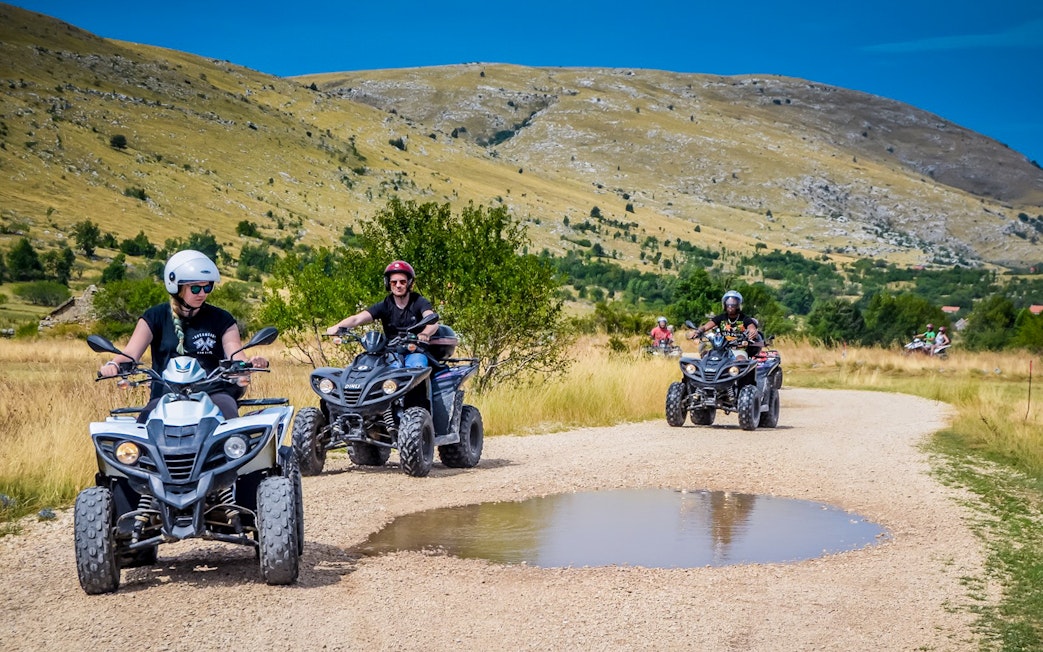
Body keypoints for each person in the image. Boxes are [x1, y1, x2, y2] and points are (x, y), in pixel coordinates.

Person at [97, 250, 267, 422]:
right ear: (176, 287)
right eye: (195, 288)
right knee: (141, 433)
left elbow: (235, 354)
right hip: (165, 396)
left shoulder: (222, 319)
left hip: (213, 394)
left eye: (207, 287)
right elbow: (130, 353)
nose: (202, 293)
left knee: (231, 426)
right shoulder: (154, 317)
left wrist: (249, 364)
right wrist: (113, 365)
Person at [326, 260, 439, 368]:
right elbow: (357, 319)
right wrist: (337, 327)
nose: (398, 285)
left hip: (415, 350)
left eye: (402, 282)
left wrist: (425, 334)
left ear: (409, 283)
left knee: (417, 367)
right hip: (391, 352)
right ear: (388, 284)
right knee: (374, 370)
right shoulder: (385, 304)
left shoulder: (419, 301)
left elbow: (432, 321)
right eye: (394, 282)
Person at [690, 290, 761, 359]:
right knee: (705, 357)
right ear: (724, 304)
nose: (730, 306)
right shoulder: (720, 318)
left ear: (738, 305)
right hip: (720, 348)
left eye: (733, 303)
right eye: (728, 303)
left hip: (738, 349)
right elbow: (705, 327)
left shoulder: (744, 318)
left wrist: (752, 331)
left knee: (740, 360)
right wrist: (698, 332)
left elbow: (751, 327)